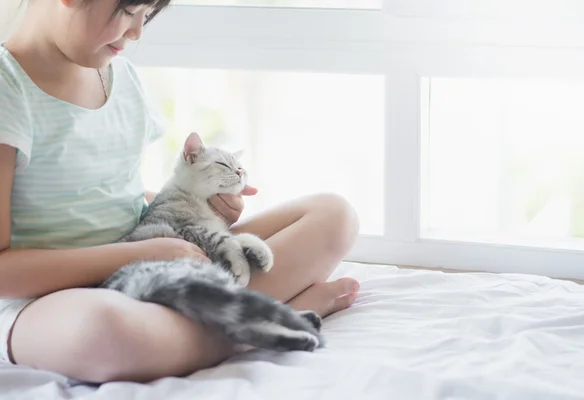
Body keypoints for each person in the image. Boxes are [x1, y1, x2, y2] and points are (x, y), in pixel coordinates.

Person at [0, 0, 360, 384]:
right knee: (104, 335)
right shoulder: (7, 88)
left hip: (153, 268)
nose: (137, 32)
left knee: (333, 215)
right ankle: (273, 318)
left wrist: (202, 210)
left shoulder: (118, 75)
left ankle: (235, 320)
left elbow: (117, 195)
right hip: (48, 300)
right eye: (128, 11)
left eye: (147, 16)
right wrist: (140, 252)